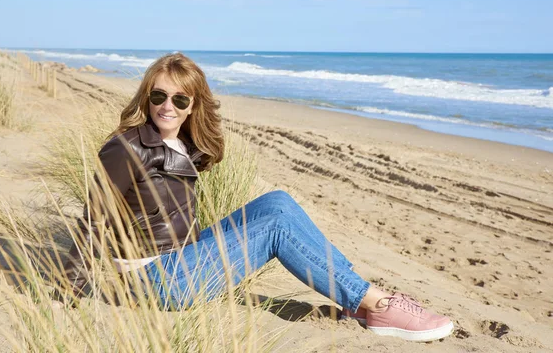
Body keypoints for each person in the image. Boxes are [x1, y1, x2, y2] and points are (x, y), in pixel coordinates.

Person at [62, 53, 454, 342]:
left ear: (192, 105)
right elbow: (93, 218)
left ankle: (354, 295)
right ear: (146, 96)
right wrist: (67, 290)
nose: (168, 106)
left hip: (183, 257)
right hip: (156, 280)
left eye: (180, 100)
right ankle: (376, 304)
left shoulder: (179, 144)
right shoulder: (126, 148)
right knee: (277, 228)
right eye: (159, 95)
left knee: (278, 202)